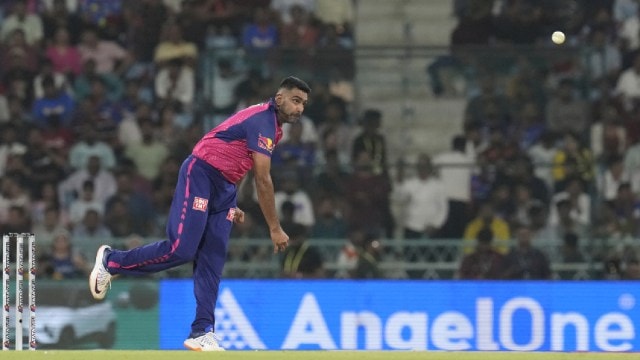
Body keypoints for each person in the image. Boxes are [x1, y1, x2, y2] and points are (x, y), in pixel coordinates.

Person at [88, 76, 311, 351]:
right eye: (296, 100)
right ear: (279, 99)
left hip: (225, 188)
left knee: (213, 260)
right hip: (202, 173)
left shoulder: (273, 127)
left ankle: (202, 331)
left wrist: (233, 202)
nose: (300, 108)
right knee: (182, 249)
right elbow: (262, 180)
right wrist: (274, 227)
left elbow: (241, 162)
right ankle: (112, 261)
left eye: (304, 104)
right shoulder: (263, 120)